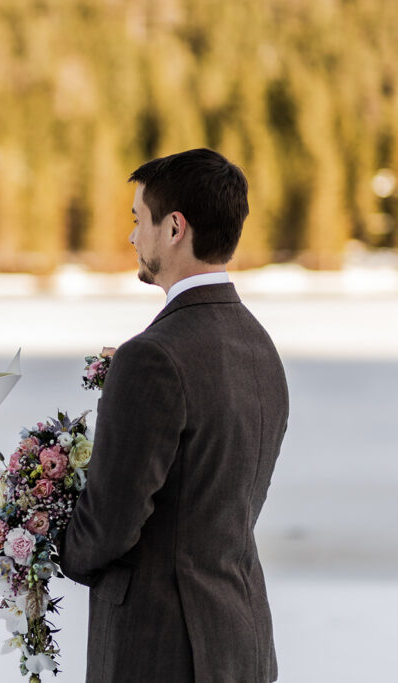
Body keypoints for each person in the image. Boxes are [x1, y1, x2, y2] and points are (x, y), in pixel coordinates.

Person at [59, 149, 290, 682]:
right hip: (241, 639)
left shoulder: (152, 356)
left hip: (161, 648)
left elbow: (112, 523)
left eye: (138, 219)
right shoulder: (258, 343)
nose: (133, 237)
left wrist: (52, 541)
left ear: (174, 228)